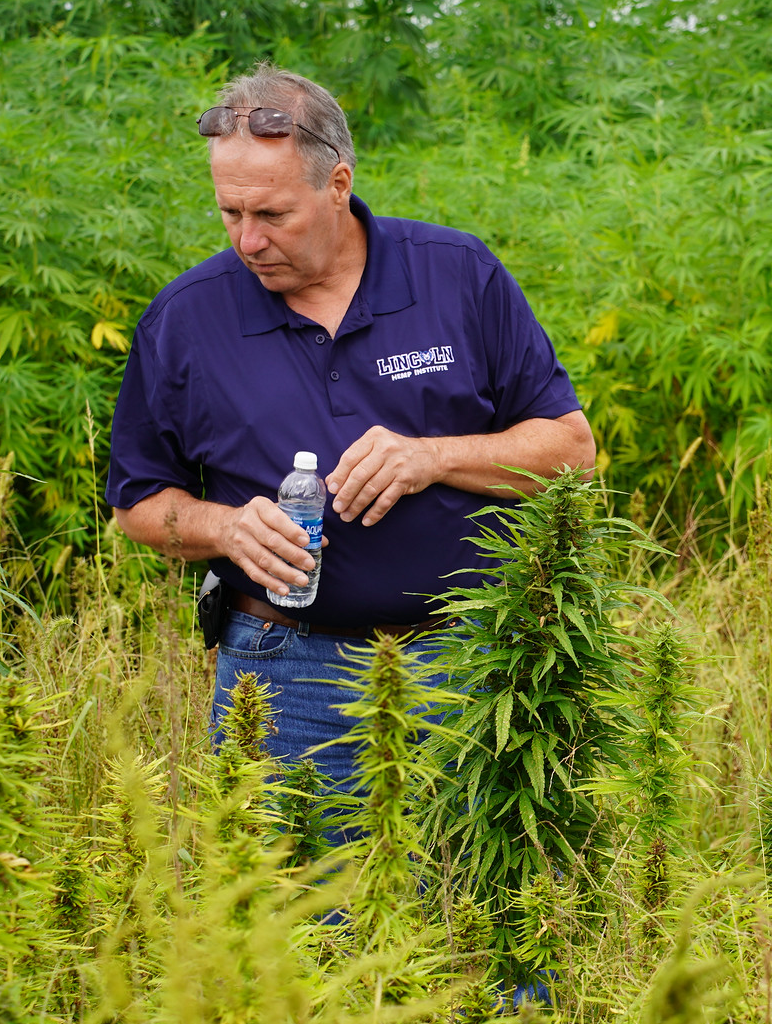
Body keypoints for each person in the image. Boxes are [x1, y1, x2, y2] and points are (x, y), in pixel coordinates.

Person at [106, 63, 595, 787]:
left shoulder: (456, 276)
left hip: (468, 662)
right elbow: (138, 506)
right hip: (281, 675)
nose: (248, 241)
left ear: (338, 184)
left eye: (272, 215)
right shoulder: (186, 319)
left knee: (466, 896)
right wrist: (228, 529)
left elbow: (573, 453)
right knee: (291, 896)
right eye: (230, 214)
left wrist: (432, 457)